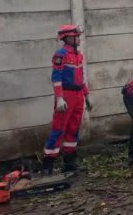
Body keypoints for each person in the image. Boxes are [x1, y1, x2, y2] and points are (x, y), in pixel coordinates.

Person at [42, 25, 93, 176]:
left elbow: (81, 78)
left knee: (74, 128)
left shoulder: (78, 55)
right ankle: (47, 165)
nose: (79, 38)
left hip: (78, 96)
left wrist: (87, 95)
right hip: (66, 95)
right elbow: (56, 79)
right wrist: (59, 99)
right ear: (69, 38)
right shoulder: (61, 55)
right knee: (58, 129)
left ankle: (69, 163)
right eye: (77, 36)